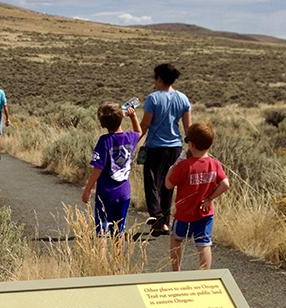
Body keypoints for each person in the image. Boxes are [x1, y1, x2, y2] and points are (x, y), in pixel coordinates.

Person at [165, 122, 230, 271]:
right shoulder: (214, 164)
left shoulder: (184, 165)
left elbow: (168, 184)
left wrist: (174, 166)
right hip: (205, 213)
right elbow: (225, 184)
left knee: (176, 239)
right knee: (204, 244)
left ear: (191, 144)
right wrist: (209, 198)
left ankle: (176, 272)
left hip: (184, 214)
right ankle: (204, 275)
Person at [140, 63, 192, 235]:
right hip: (175, 147)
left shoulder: (153, 98)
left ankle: (157, 218)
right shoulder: (183, 99)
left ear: (160, 79)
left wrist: (133, 140)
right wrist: (191, 147)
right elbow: (188, 127)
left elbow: (145, 124)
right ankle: (165, 223)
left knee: (151, 182)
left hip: (155, 147)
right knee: (168, 185)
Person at [82, 102, 142, 236]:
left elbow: (97, 168)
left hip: (105, 193)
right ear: (121, 118)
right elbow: (139, 132)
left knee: (102, 231)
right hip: (124, 192)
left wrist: (87, 190)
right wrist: (133, 116)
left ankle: (101, 257)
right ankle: (118, 256)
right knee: (118, 231)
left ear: (103, 124)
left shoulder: (104, 141)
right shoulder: (130, 138)